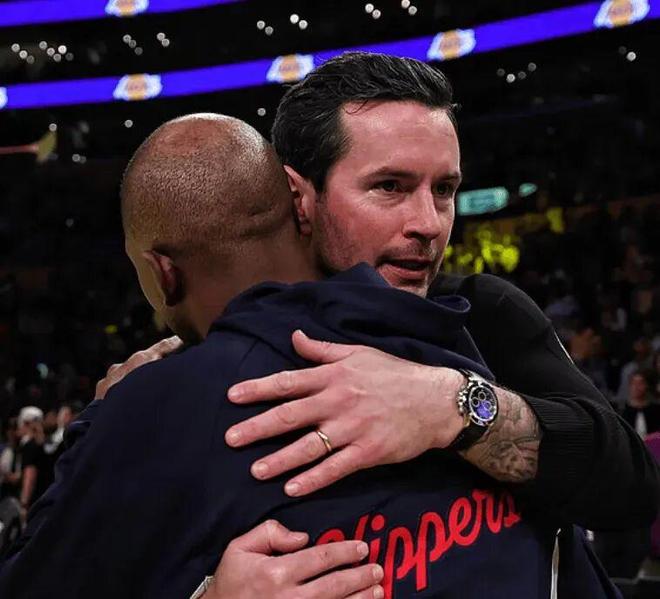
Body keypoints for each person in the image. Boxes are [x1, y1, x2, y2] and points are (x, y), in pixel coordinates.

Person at [0, 114, 616, 599]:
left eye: (444, 190)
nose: (426, 223)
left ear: (162, 273)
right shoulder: (456, 334)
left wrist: (102, 424)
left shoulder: (152, 408)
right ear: (299, 209)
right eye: (390, 187)